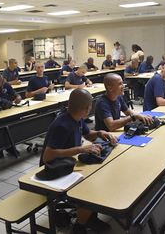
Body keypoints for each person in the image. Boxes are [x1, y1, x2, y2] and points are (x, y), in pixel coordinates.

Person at [40, 88, 117, 234]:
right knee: (92, 189)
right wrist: (81, 149)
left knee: (101, 175)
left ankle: (89, 217)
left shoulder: (75, 115)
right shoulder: (62, 125)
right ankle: (79, 226)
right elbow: (47, 156)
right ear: (88, 109)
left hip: (68, 162)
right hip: (54, 170)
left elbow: (88, 135)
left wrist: (101, 133)